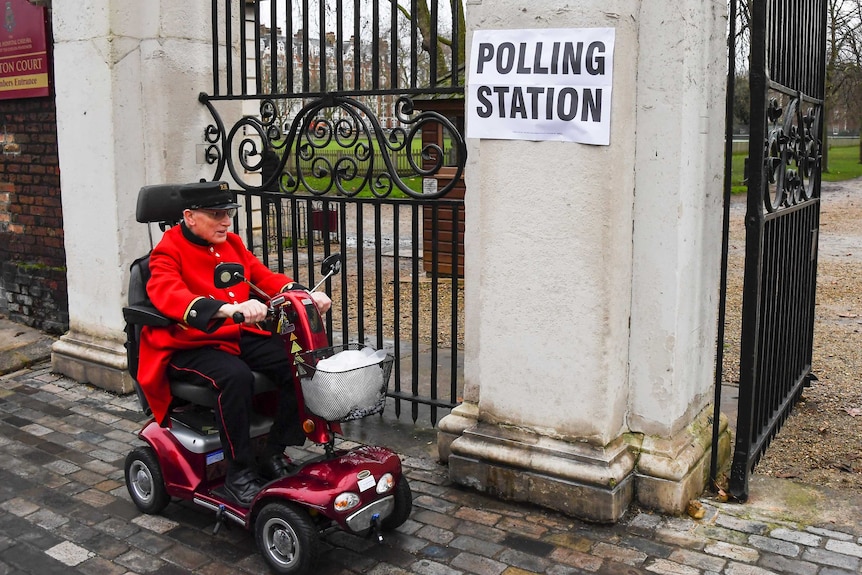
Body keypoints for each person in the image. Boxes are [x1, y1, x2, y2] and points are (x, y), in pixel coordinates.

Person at [136, 181, 331, 506]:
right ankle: (238, 474)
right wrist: (228, 309)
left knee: (298, 365)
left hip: (233, 336)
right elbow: (171, 295)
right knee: (235, 378)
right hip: (186, 343)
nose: (226, 221)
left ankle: (273, 451)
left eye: (228, 213)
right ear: (190, 216)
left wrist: (304, 295)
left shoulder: (232, 244)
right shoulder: (167, 251)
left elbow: (262, 278)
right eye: (217, 214)